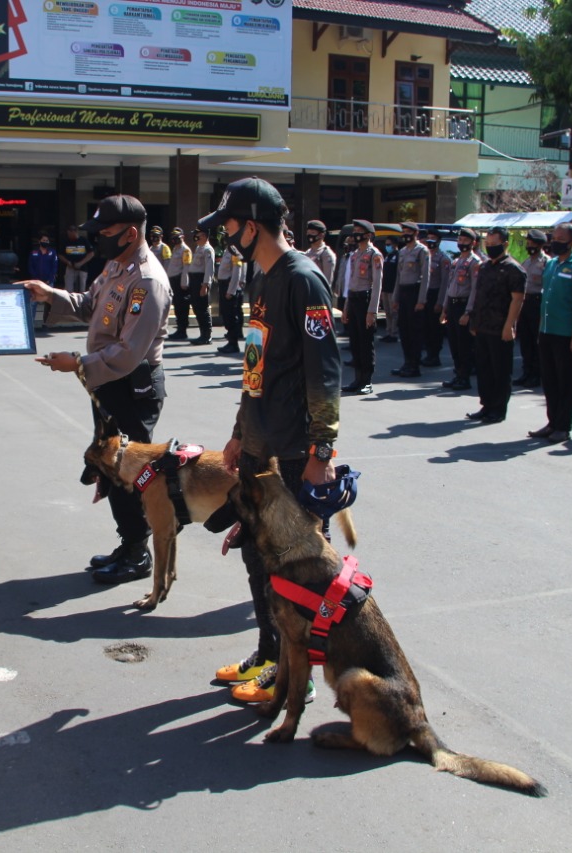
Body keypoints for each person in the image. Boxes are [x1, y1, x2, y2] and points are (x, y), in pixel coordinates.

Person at [202, 176, 340, 706]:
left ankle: (294, 676)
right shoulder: (261, 278)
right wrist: (239, 433)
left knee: (293, 570)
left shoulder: (303, 280)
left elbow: (325, 373)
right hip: (260, 447)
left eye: (229, 226)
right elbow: (255, 367)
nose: (224, 235)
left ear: (251, 225)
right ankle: (268, 655)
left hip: (292, 452)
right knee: (258, 558)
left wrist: (321, 453)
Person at [24, 194, 172, 584]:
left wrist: (77, 363)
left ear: (131, 233)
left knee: (131, 472)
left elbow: (128, 353)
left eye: (105, 233)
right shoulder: (115, 265)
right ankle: (129, 543)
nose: (98, 241)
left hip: (130, 385)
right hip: (108, 383)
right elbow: (90, 304)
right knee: (112, 467)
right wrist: (50, 293)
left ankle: (139, 554)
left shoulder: (147, 281)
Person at [528, 222, 572, 444]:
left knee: (565, 381)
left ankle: (563, 427)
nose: (555, 242)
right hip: (547, 330)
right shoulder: (552, 264)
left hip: (566, 332)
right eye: (553, 237)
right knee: (549, 380)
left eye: (561, 239)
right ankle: (552, 422)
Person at [465, 226, 525, 424]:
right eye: (487, 244)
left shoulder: (513, 269)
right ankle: (486, 405)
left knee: (500, 370)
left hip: (500, 327)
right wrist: (474, 321)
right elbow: (478, 296)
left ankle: (498, 408)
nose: (490, 247)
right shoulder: (484, 267)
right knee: (484, 368)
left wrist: (510, 326)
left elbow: (517, 300)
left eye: (494, 244)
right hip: (483, 325)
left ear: (505, 244)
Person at [341, 219, 382, 395]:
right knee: (355, 342)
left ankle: (367, 381)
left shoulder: (374, 255)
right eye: (355, 230)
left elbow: (377, 284)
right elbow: (351, 282)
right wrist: (346, 308)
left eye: (359, 231)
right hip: (354, 299)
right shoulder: (355, 254)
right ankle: (357, 378)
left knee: (366, 343)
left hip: (366, 300)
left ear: (368, 234)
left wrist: (372, 311)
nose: (355, 234)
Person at [441, 228, 480, 391]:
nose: (461, 243)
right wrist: (445, 308)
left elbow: (475, 289)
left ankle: (464, 377)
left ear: (473, 243)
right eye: (460, 240)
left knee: (464, 345)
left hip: (464, 305)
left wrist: (468, 312)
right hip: (453, 305)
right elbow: (450, 287)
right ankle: (457, 374)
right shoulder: (457, 261)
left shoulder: (475, 262)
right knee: (454, 344)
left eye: (465, 241)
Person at [392, 221, 430, 377]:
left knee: (414, 332)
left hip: (415, 292)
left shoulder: (422, 251)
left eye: (408, 232)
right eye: (404, 232)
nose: (405, 235)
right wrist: (395, 298)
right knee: (404, 330)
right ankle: (407, 362)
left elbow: (426, 276)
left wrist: (421, 300)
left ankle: (414, 365)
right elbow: (398, 276)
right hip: (404, 292)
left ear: (416, 234)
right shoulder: (402, 252)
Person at [514, 229, 549, 387]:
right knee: (525, 341)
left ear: (541, 245)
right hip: (525, 302)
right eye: (528, 243)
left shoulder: (547, 262)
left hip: (538, 302)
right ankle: (526, 371)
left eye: (533, 244)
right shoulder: (526, 262)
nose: (530, 246)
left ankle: (537, 373)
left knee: (536, 341)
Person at [421, 232, 449, 366]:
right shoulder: (425, 256)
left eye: (433, 239)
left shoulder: (443, 258)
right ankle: (428, 354)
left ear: (439, 241)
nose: (430, 241)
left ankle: (435, 355)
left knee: (435, 329)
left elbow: (444, 282)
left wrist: (440, 302)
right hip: (424, 295)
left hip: (435, 294)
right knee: (425, 327)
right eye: (429, 238)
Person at [186, 227, 216, 344]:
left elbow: (209, 269)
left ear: (203, 235)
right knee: (196, 308)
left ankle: (207, 335)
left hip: (201, 281)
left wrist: (205, 285)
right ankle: (202, 333)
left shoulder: (208, 250)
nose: (195, 238)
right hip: (195, 280)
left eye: (197, 235)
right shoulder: (199, 248)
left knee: (202, 308)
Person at [164, 227, 195, 340]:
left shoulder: (185, 250)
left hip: (180, 281)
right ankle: (179, 329)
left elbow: (186, 267)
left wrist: (184, 281)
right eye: (174, 238)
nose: (175, 240)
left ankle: (182, 330)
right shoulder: (175, 249)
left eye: (177, 237)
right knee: (177, 305)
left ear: (182, 237)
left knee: (182, 306)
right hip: (173, 281)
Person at [216, 242, 245, 354]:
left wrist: (231, 291)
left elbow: (236, 272)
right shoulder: (227, 250)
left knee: (231, 316)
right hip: (224, 285)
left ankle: (233, 344)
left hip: (229, 286)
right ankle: (230, 342)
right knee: (226, 314)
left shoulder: (235, 251)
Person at [59, 224, 93, 293]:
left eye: (69, 234)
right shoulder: (66, 241)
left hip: (82, 268)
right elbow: (60, 255)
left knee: (82, 289)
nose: (68, 236)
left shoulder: (83, 240)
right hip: (70, 267)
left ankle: (81, 303)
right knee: (69, 289)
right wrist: (67, 262)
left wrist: (81, 263)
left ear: (74, 232)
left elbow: (91, 253)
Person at [379, 235, 400, 342]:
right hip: (386, 288)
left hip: (393, 289)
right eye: (386, 244)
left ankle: (394, 333)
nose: (387, 246)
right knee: (387, 311)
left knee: (393, 312)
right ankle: (388, 332)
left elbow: (398, 275)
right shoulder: (387, 256)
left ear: (395, 244)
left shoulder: (398, 255)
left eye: (389, 244)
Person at [303, 219, 336, 284]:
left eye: (312, 233)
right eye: (308, 233)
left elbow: (327, 280)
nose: (309, 235)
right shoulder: (308, 252)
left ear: (321, 235)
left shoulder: (326, 254)